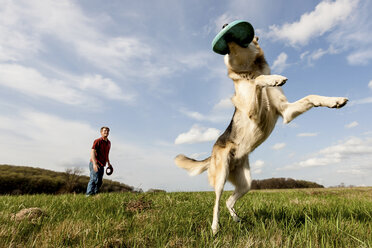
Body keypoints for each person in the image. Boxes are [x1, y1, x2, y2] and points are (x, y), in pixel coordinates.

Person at [86, 126, 113, 196]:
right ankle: (88, 195)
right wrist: (94, 164)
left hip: (102, 164)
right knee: (94, 179)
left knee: (99, 182)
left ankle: (94, 195)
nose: (106, 132)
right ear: (101, 132)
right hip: (95, 163)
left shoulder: (109, 143)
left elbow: (107, 154)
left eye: (107, 131)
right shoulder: (98, 141)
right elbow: (92, 152)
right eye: (104, 131)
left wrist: (109, 163)